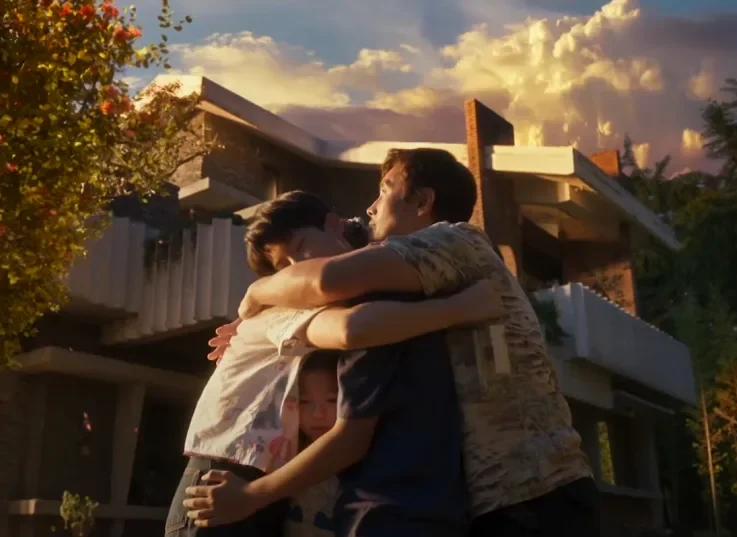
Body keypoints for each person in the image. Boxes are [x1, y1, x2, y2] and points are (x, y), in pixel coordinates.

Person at [192, 149, 600, 537]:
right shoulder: (418, 288)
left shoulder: (457, 240)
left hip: (536, 493)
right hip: (495, 502)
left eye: (385, 190)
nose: (370, 208)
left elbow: (327, 280)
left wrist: (258, 293)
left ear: (423, 201)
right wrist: (263, 323)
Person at [165, 190, 501, 537]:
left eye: (300, 248)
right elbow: (349, 330)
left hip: (255, 488)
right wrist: (462, 308)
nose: (296, 268)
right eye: (282, 268)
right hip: (218, 486)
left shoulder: (364, 282)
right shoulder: (282, 310)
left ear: (332, 225)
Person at [285, 352, 340, 537]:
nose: (318, 414)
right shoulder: (283, 452)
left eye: (332, 400)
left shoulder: (366, 454)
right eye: (305, 401)